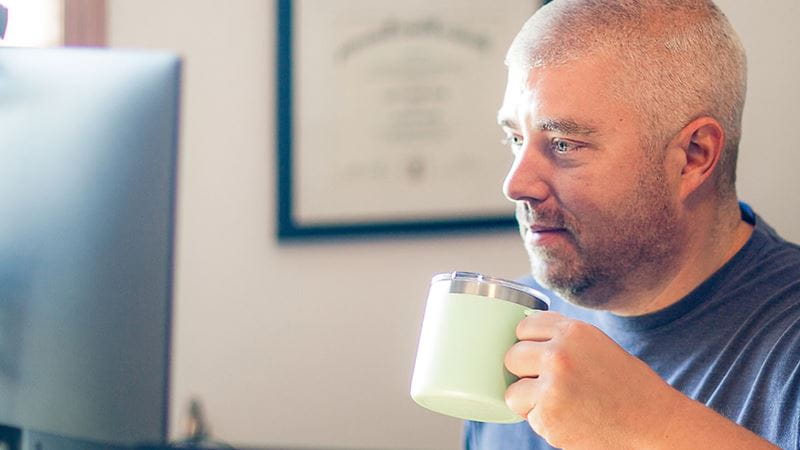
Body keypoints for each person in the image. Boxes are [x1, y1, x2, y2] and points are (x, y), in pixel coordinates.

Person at [464, 0, 800, 448]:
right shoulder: (509, 330)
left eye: (563, 143)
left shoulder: (787, 350)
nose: (516, 184)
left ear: (694, 156)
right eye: (516, 139)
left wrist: (653, 428)